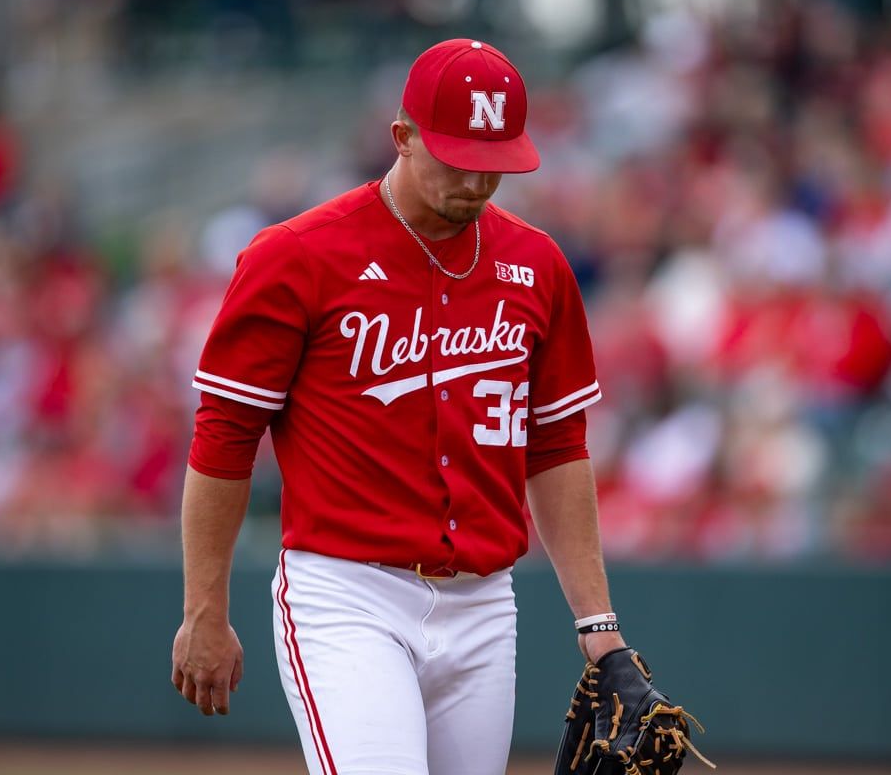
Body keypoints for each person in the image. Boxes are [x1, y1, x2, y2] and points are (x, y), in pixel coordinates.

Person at [170, 38, 625, 775]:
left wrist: (598, 625)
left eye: (495, 163)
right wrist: (204, 609)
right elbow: (225, 436)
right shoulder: (298, 256)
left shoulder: (538, 265)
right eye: (456, 157)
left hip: (484, 604)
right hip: (348, 595)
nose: (477, 180)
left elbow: (556, 445)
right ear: (402, 138)